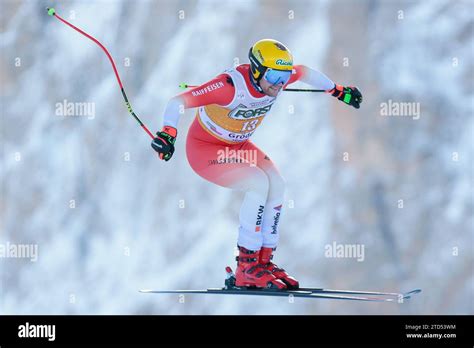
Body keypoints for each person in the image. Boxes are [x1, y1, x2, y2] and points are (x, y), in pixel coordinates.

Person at [151, 39, 362, 290]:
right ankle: (247, 267)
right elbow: (177, 102)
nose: (279, 84)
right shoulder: (228, 87)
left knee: (277, 184)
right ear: (256, 69)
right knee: (257, 182)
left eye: (284, 77)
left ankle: (263, 261)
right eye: (273, 76)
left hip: (238, 146)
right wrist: (168, 133)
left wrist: (338, 90)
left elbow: (304, 72)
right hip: (205, 150)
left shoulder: (275, 79)